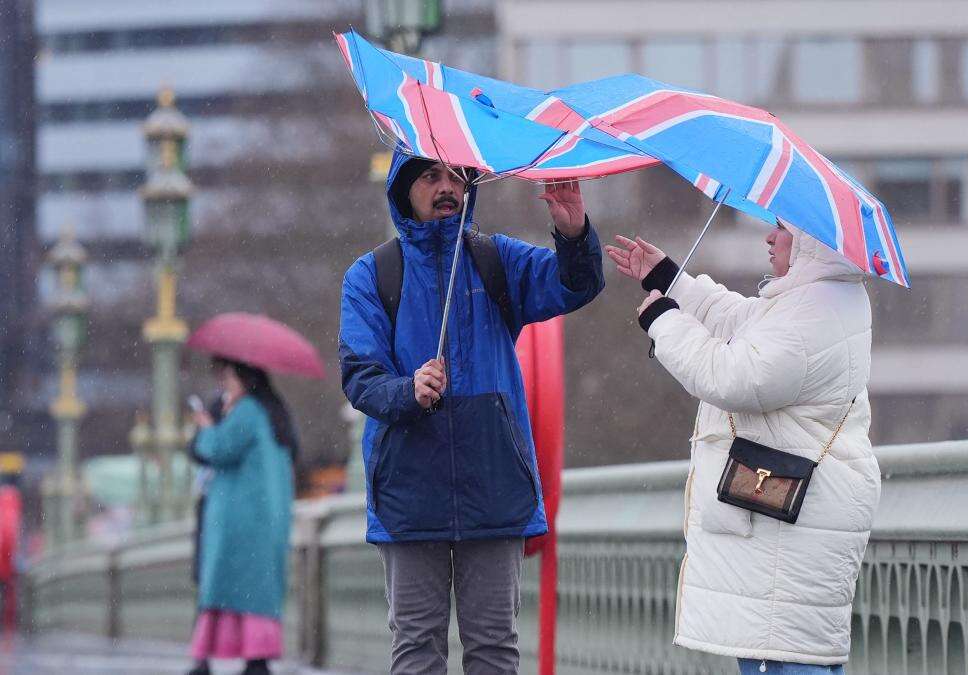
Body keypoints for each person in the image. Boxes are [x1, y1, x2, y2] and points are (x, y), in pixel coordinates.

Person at [339, 154, 604, 674]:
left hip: (493, 485)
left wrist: (573, 233)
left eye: (457, 177)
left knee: (495, 650)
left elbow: (575, 286)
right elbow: (359, 377)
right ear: (402, 189)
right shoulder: (372, 276)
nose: (447, 188)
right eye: (431, 177)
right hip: (409, 493)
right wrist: (407, 391)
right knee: (417, 651)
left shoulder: (495, 260)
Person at [606, 222, 879, 675]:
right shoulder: (820, 300)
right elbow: (739, 320)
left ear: (810, 241)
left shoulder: (813, 312)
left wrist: (664, 322)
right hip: (794, 522)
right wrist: (669, 280)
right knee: (793, 654)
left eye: (781, 230)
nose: (770, 239)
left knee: (781, 658)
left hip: (787, 531)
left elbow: (732, 377)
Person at [186, 358, 297, 675]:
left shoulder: (247, 411)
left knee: (226, 583)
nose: (223, 386)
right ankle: (256, 655)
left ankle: (217, 657)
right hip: (269, 515)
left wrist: (206, 428)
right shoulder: (273, 414)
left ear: (244, 380)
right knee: (258, 587)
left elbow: (218, 449)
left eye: (228, 378)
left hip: (241, 516)